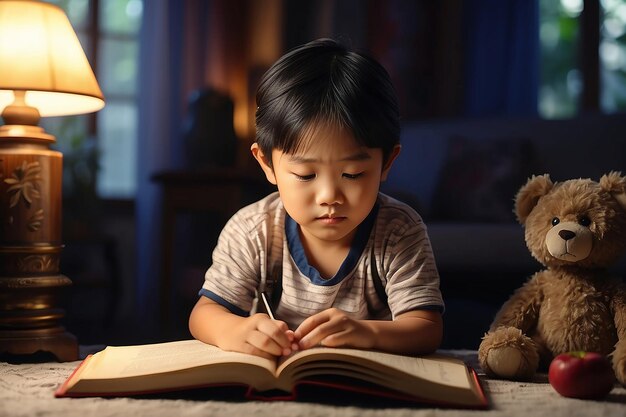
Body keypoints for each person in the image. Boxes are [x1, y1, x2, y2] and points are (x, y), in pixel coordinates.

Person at [189, 38, 444, 360]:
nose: (329, 197)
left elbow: (426, 328)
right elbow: (204, 313)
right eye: (306, 176)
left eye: (352, 174)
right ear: (267, 164)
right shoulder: (253, 229)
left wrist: (368, 332)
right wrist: (234, 330)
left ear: (387, 163)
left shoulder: (398, 231)